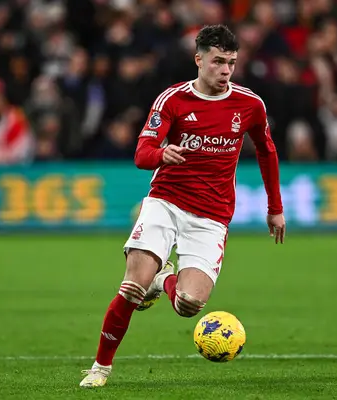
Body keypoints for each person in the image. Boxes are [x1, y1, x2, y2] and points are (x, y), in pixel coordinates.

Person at [79, 24, 286, 388]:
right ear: (199, 59)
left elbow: (267, 152)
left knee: (188, 303)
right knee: (131, 288)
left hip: (212, 216)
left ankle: (164, 280)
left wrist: (275, 207)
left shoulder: (249, 104)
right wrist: (163, 153)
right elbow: (142, 154)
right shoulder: (172, 100)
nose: (225, 70)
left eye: (232, 63)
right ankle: (100, 368)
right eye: (218, 61)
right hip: (166, 202)